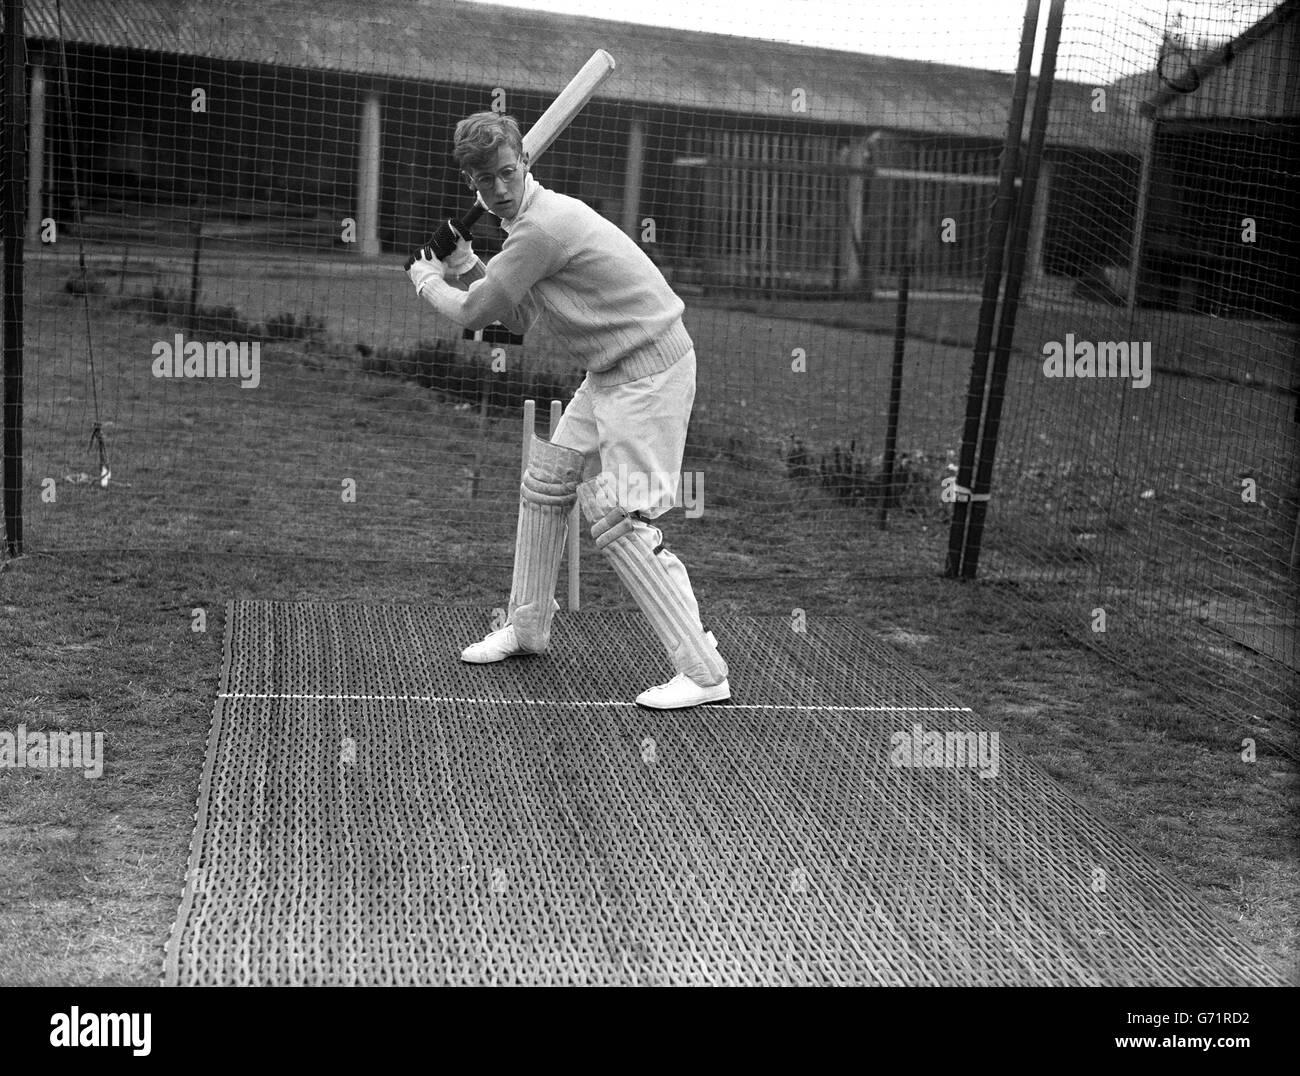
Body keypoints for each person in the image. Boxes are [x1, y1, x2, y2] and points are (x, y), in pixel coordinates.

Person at [405, 112, 729, 710]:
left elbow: (477, 314)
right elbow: (520, 317)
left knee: (619, 514)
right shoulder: (525, 225)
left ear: (525, 162)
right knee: (548, 480)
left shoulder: (543, 227)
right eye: (483, 180)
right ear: (470, 181)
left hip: (651, 372)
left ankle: (704, 672)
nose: (497, 189)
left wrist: (428, 279)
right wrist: (464, 262)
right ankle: (528, 628)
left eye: (506, 172)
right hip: (609, 371)